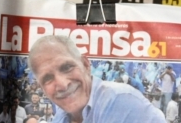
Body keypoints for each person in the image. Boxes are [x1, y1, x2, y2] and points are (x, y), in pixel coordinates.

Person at [27, 35, 165, 123]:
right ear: (42, 88)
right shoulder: (61, 117)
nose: (62, 84)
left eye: (67, 67)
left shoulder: (121, 101)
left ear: (86, 64)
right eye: (48, 78)